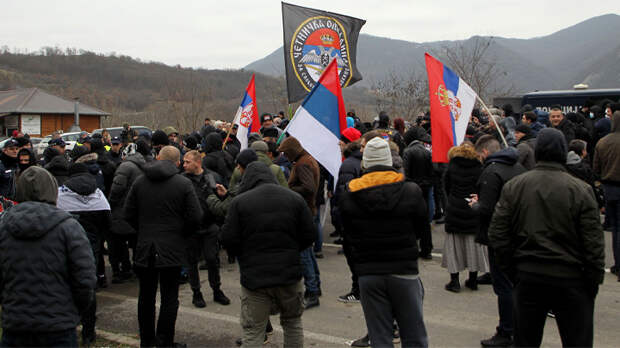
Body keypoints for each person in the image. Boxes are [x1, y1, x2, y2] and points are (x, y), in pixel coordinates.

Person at [489, 128, 605, 347]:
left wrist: (513, 270)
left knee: (526, 341)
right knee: (577, 341)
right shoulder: (581, 190)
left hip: (529, 275)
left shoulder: (515, 187)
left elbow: (498, 234)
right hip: (571, 279)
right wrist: (592, 280)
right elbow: (594, 243)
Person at [340, 137, 429, 348]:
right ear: (389, 161)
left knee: (379, 336)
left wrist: (358, 267)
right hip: (404, 270)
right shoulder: (410, 191)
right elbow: (422, 229)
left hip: (368, 272)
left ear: (365, 163)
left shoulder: (349, 195)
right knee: (414, 333)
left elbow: (348, 237)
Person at [221, 161, 315, 348]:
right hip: (289, 274)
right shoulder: (294, 199)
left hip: (255, 278)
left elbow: (228, 239)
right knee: (292, 323)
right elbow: (309, 235)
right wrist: (292, 250)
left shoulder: (240, 202)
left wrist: (244, 254)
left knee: (253, 329)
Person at [0, 166, 96, 347]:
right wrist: (74, 311)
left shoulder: (4, 226)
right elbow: (85, 279)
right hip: (58, 326)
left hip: (16, 324)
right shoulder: (69, 227)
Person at [124, 146, 203, 347]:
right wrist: (180, 234)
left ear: (158, 158)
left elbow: (128, 214)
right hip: (172, 247)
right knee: (169, 297)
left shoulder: (140, 182)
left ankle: (147, 341)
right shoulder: (183, 183)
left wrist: (143, 232)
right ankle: (165, 341)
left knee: (146, 297)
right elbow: (195, 217)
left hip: (145, 247)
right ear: (177, 163)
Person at [471, 135, 526, 347]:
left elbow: (486, 208)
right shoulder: (519, 168)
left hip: (499, 237)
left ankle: (506, 330)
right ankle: (518, 328)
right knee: (516, 284)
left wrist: (475, 205)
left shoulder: (491, 172)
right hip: (519, 233)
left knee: (503, 287)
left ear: (485, 152)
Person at [56, 162, 111, 345]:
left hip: (65, 246)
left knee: (66, 286)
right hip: (91, 246)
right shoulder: (98, 193)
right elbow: (107, 221)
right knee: (88, 287)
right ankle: (89, 331)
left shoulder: (60, 193)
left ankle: (68, 325)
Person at [181, 150, 230, 308]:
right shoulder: (182, 180)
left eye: (187, 162)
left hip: (210, 226)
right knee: (192, 262)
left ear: (197, 162)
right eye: (184, 162)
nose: (184, 164)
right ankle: (196, 293)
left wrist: (224, 195)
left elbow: (222, 201)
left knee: (212, 259)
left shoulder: (212, 177)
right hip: (191, 229)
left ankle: (217, 290)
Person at [278, 136, 321, 309]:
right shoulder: (308, 158)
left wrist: (288, 189)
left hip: (303, 211)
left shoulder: (302, 163)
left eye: (286, 153)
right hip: (308, 210)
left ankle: (311, 291)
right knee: (308, 252)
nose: (285, 156)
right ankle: (316, 285)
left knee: (303, 254)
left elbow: (308, 188)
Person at [442, 143, 489, 292]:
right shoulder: (479, 168)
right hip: (472, 209)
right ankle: (473, 280)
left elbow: (446, 186)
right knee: (473, 245)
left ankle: (454, 281)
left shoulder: (451, 166)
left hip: (455, 207)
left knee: (454, 246)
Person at [593, 110, 620, 280]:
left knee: (616, 228)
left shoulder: (603, 142)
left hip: (609, 188)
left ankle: (618, 263)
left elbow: (596, 168)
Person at [402, 127, 434, 259]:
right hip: (425, 189)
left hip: (412, 189)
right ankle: (427, 249)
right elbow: (432, 174)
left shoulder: (408, 152)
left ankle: (412, 248)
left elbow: (406, 173)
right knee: (425, 221)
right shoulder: (427, 152)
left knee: (411, 220)